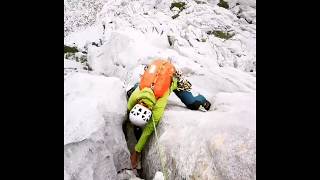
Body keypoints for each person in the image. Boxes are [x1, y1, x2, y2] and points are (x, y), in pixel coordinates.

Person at [125, 59, 211, 169]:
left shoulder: (159, 103)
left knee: (192, 103)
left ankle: (201, 99)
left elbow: (149, 129)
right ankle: (136, 84)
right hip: (154, 77)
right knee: (133, 90)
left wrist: (136, 152)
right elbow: (128, 110)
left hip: (171, 77)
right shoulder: (135, 96)